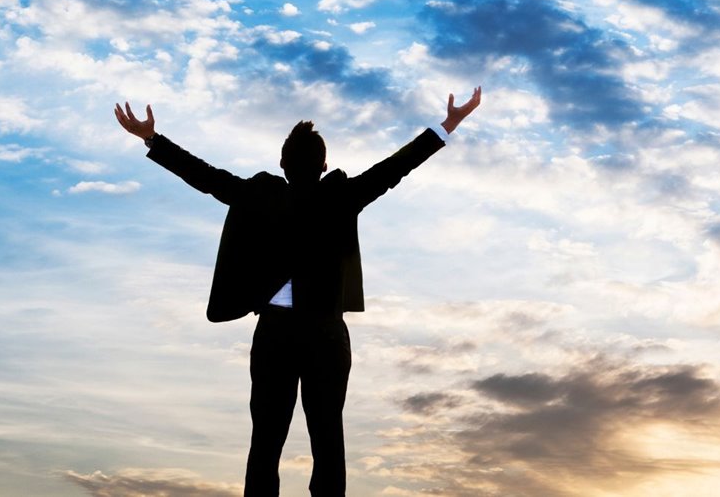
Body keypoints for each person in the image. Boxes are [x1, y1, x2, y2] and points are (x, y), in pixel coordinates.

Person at [113, 87, 482, 496]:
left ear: (282, 164)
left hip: (276, 333)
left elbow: (204, 177)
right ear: (324, 164)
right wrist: (448, 124)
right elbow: (397, 166)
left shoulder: (260, 196)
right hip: (325, 332)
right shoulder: (341, 196)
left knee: (267, 441)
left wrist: (151, 138)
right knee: (327, 438)